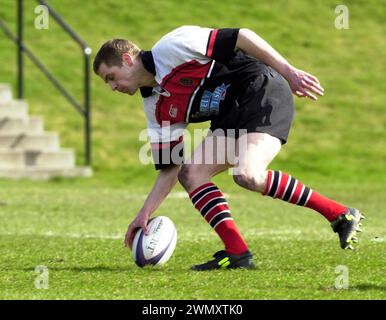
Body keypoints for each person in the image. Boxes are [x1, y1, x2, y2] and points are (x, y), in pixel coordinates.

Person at [93, 26, 364, 270]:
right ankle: (237, 253)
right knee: (191, 174)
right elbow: (170, 167)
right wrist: (144, 214)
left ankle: (339, 214)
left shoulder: (172, 47)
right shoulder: (155, 106)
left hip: (261, 89)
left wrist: (288, 71)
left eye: (111, 77)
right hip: (230, 117)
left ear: (127, 60)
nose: (113, 87)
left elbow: (242, 36)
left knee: (247, 174)